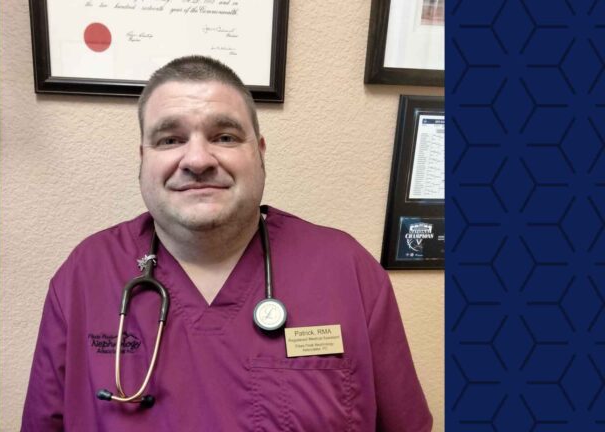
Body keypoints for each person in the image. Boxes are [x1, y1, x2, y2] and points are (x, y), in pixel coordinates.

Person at [21, 55, 432, 431]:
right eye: (169, 139)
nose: (198, 159)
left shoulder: (346, 270)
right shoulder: (86, 273)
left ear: (261, 153)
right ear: (143, 158)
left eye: (225, 137)